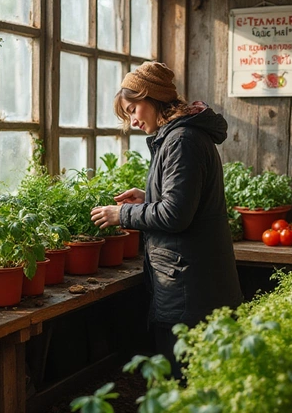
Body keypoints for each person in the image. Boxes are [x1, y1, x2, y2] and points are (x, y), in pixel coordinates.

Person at [90, 61, 243, 379]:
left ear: (152, 98)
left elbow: (175, 215)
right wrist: (148, 200)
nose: (132, 121)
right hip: (195, 281)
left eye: (133, 109)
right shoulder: (180, 136)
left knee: (185, 382)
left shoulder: (181, 141)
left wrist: (124, 214)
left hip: (190, 288)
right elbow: (184, 204)